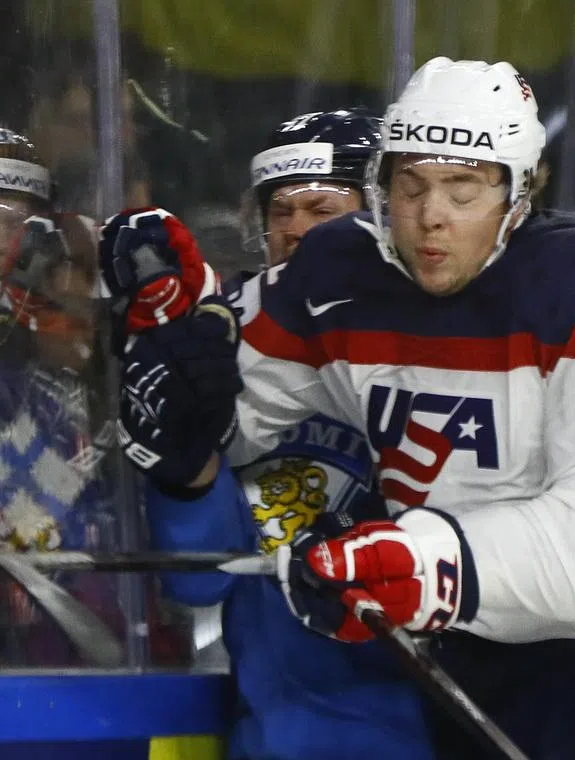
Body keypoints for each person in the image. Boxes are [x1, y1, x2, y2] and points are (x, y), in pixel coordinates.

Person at [100, 57, 575, 759]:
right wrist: (176, 328)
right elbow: (221, 405)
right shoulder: (339, 271)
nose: (431, 218)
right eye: (411, 185)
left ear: (520, 192)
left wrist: (424, 562)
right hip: (484, 656)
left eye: (462, 189)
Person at [100, 111, 439, 760]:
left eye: (320, 208)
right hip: (278, 734)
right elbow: (201, 579)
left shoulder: (458, 347)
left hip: (434, 731)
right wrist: (185, 464)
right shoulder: (228, 350)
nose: (295, 230)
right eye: (279, 211)